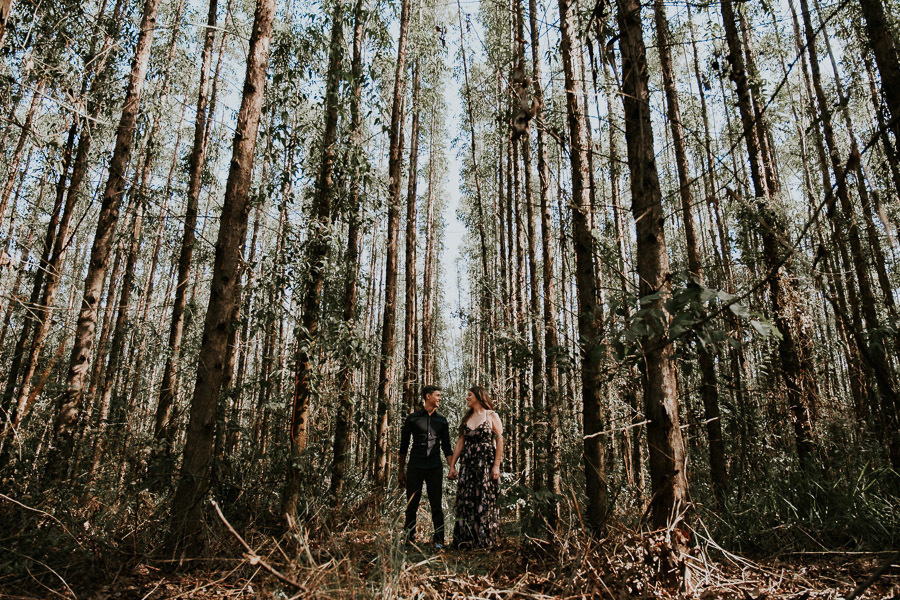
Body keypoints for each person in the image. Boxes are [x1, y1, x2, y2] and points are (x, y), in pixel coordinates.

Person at [447, 385, 503, 548]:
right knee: (466, 500)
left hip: (485, 463)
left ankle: (484, 541)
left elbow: (500, 440)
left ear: (479, 396)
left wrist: (496, 465)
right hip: (468, 465)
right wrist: (452, 466)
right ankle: (466, 540)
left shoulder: (491, 415)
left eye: (470, 395)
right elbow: (460, 443)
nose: (467, 398)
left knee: (484, 499)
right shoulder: (467, 418)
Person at [399, 385, 453, 547]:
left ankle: (439, 541)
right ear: (428, 396)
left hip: (435, 466)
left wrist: (452, 467)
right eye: (437, 395)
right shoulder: (412, 419)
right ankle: (409, 539)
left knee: (436, 504)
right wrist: (400, 471)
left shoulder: (442, 421)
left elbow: (447, 447)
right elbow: (403, 446)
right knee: (412, 504)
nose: (440, 398)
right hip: (416, 465)